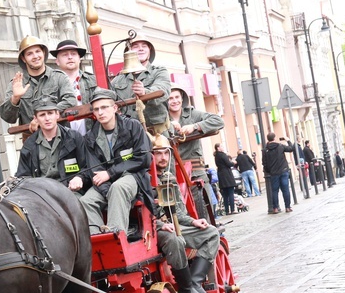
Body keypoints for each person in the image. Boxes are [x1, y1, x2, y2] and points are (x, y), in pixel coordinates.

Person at [152, 135, 217, 293]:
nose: (163, 158)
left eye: (165, 153)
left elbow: (179, 212)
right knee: (176, 239)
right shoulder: (144, 179)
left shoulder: (169, 178)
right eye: (158, 153)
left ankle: (195, 282)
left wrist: (193, 222)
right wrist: (160, 224)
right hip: (153, 231)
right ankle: (186, 288)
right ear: (151, 155)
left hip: (175, 225)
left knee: (211, 233)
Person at [80, 88, 153, 234]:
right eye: (96, 109)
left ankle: (116, 236)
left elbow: (144, 159)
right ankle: (98, 239)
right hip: (106, 184)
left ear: (114, 108)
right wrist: (107, 191)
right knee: (85, 201)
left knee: (118, 188)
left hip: (133, 176)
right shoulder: (90, 137)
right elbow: (94, 169)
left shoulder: (133, 126)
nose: (100, 112)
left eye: (104, 107)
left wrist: (110, 172)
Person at [167, 82, 224, 220]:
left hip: (195, 170)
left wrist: (195, 126)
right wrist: (168, 126)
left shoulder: (193, 114)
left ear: (182, 98)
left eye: (177, 97)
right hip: (171, 170)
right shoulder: (161, 118)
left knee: (204, 207)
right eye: (170, 98)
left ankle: (209, 233)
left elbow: (218, 121)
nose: (174, 101)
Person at [15, 96, 92, 195]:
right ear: (36, 119)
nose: (47, 118)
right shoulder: (29, 146)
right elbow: (23, 177)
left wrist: (79, 177)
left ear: (57, 114)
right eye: (42, 115)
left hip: (71, 192)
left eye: (50, 113)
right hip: (43, 196)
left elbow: (88, 166)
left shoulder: (74, 138)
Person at [0, 35, 77, 130]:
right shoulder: (16, 84)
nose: (35, 56)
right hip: (31, 140)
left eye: (38, 51)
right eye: (29, 54)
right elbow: (7, 118)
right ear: (23, 58)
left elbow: (71, 100)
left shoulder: (59, 77)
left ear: (43, 53)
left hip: (60, 137)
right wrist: (15, 99)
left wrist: (44, 116)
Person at [110, 34, 171, 134]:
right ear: (128, 53)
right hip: (131, 134)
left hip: (157, 134)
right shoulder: (117, 80)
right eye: (135, 46)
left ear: (149, 51)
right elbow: (109, 99)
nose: (140, 49)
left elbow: (163, 90)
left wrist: (145, 92)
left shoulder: (159, 71)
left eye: (144, 46)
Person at [51, 39, 97, 135]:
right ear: (57, 61)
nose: (70, 57)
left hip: (92, 134)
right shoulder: (50, 83)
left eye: (73, 54)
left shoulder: (93, 79)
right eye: (65, 55)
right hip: (63, 136)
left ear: (79, 58)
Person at [262, 133, 295, 214]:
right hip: (283, 170)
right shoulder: (280, 146)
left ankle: (275, 208)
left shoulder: (265, 150)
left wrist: (269, 171)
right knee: (285, 189)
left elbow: (264, 163)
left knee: (274, 191)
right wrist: (288, 140)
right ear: (274, 138)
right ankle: (287, 207)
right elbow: (291, 148)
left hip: (273, 173)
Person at [214, 143, 237, 215]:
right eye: (222, 146)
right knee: (230, 192)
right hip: (227, 174)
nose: (223, 147)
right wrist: (233, 163)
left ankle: (227, 210)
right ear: (218, 148)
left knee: (225, 194)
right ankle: (232, 209)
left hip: (221, 175)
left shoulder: (216, 156)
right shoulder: (223, 155)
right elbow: (228, 164)